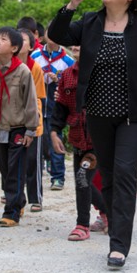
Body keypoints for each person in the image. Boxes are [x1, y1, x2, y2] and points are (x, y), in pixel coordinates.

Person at [47, 0, 137, 269]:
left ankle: (119, 245)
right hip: (97, 114)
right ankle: (114, 229)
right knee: (107, 175)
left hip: (134, 116)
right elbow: (57, 35)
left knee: (123, 172)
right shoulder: (92, 22)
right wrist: (71, 6)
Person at [0, 27, 39, 227]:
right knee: (5, 170)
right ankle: (19, 200)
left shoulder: (22, 71)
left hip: (18, 128)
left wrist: (31, 129)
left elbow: (31, 101)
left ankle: (11, 212)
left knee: (15, 170)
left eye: (3, 39)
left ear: (14, 48)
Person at [51, 46, 107, 241]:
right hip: (78, 137)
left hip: (100, 138)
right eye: (73, 43)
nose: (75, 47)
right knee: (82, 180)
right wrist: (54, 132)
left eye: (81, 42)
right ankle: (108, 212)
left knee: (83, 178)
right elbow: (61, 107)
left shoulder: (106, 72)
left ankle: (82, 224)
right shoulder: (67, 75)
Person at [31, 33, 75, 191]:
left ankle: (58, 177)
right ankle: (36, 175)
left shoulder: (68, 60)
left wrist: (58, 80)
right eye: (50, 33)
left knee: (56, 139)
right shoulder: (35, 56)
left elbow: (72, 83)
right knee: (37, 142)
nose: (53, 37)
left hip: (56, 106)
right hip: (37, 105)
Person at [17, 28, 46, 212]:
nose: (19, 42)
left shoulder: (34, 67)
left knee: (32, 161)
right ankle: (16, 199)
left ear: (31, 46)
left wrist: (34, 120)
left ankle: (35, 198)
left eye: (24, 40)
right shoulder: (3, 65)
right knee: (13, 162)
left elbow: (40, 97)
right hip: (11, 121)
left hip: (32, 120)